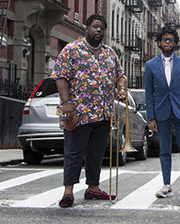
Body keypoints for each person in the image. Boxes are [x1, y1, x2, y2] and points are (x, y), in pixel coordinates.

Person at [52, 14, 126, 208]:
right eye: (95, 26)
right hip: (78, 113)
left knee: (96, 153)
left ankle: (93, 188)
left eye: (101, 27)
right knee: (74, 152)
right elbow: (60, 77)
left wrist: (121, 89)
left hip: (102, 113)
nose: (98, 30)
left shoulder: (110, 54)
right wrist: (66, 102)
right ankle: (68, 192)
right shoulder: (72, 50)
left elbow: (120, 76)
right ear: (87, 28)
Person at [145, 26, 180, 199]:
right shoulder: (150, 65)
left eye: (171, 39)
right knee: (164, 150)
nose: (168, 42)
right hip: (161, 113)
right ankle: (166, 185)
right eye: (164, 39)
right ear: (159, 42)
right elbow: (149, 94)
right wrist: (151, 117)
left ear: (175, 43)